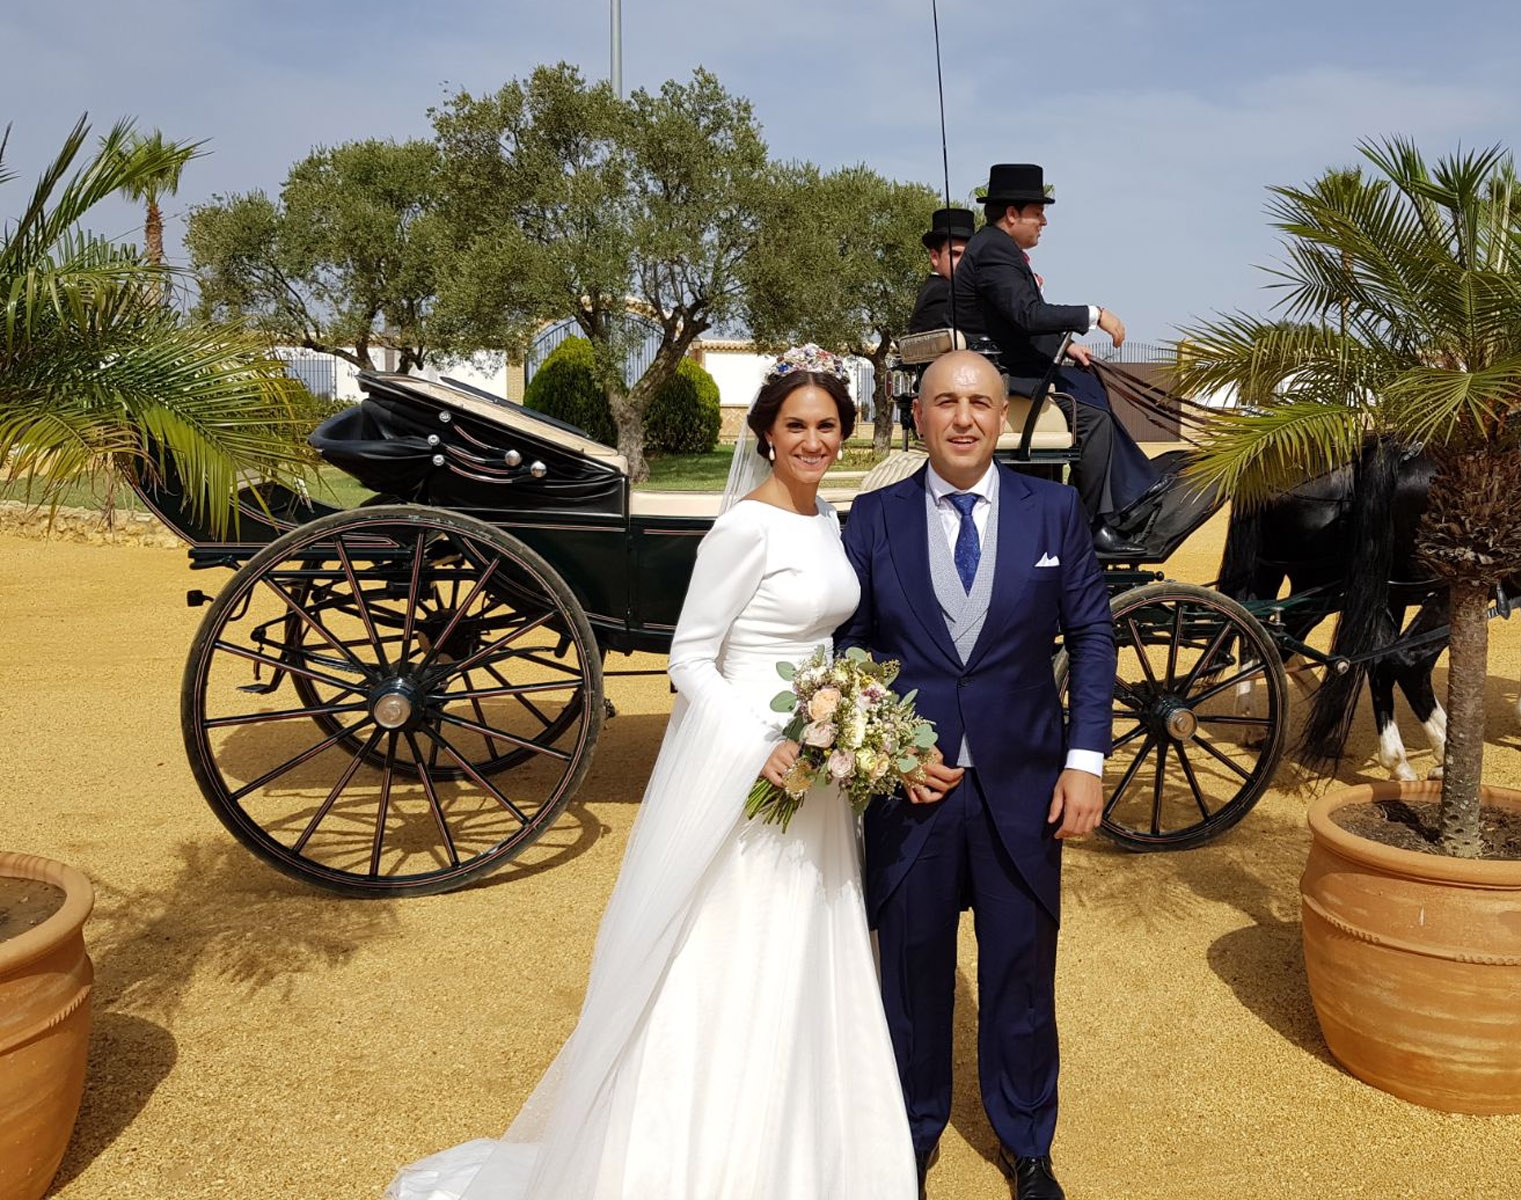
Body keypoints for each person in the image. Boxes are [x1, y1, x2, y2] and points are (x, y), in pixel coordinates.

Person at [386, 345, 920, 1200]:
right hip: (750, 759)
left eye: (827, 425)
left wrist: (846, 719)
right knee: (727, 945)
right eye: (796, 426)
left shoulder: (827, 523)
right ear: (767, 434)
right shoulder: (745, 527)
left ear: (844, 432)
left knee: (806, 936)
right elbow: (690, 660)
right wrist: (762, 742)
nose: (813, 441)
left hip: (817, 766)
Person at [837, 350, 1116, 1200]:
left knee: (1022, 975)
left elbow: (1094, 637)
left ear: (1003, 415)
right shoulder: (872, 517)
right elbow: (844, 650)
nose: (963, 418)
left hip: (1027, 789)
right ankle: (910, 1139)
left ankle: (1028, 1143)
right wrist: (886, 747)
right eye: (945, 402)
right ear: (917, 417)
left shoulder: (1054, 510)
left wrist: (1084, 761)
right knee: (912, 976)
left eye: (981, 403)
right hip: (910, 792)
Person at [953, 162, 1160, 555]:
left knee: (1088, 385)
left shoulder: (993, 248)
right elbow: (1028, 314)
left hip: (1009, 364)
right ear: (1012, 214)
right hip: (1002, 375)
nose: (1044, 221)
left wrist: (1066, 347)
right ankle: (1091, 527)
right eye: (1038, 211)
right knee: (1094, 419)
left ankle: (1131, 492)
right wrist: (1094, 315)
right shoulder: (996, 252)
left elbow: (1011, 319)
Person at [907, 206, 976, 333]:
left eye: (968, 256)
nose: (963, 262)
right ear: (934, 257)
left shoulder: (934, 288)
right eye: (955, 254)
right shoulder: (943, 292)